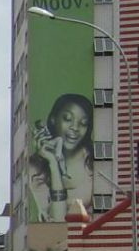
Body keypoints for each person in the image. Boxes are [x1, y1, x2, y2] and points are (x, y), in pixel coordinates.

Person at [26, 92, 96, 221]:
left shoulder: (95, 159)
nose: (75, 128)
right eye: (67, 119)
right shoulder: (35, 166)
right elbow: (58, 219)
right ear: (53, 119)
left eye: (83, 123)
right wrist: (53, 163)